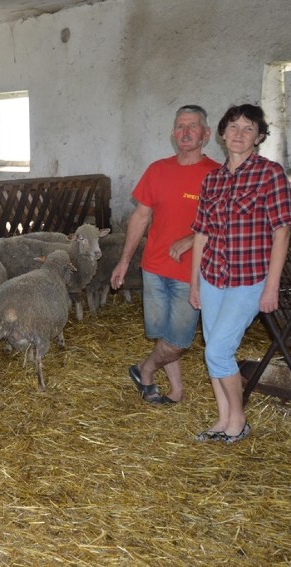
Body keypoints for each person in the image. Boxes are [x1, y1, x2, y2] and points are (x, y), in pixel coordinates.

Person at [189, 103, 291, 443]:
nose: (238, 133)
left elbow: (281, 231)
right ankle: (223, 420)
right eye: (233, 126)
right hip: (212, 277)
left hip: (249, 279)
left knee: (218, 350)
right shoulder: (212, 180)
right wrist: (195, 284)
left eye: (248, 128)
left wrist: (271, 287)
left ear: (259, 137)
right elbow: (201, 234)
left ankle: (239, 420)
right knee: (212, 351)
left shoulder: (270, 174)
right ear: (221, 133)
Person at [111, 104, 220, 405]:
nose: (186, 132)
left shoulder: (216, 175)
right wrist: (124, 261)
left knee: (179, 341)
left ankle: (143, 369)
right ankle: (176, 390)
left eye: (193, 126)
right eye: (180, 126)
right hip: (154, 267)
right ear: (173, 133)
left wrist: (191, 238)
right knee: (163, 334)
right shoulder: (157, 170)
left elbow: (226, 225)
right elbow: (140, 217)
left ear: (206, 133)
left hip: (192, 274)